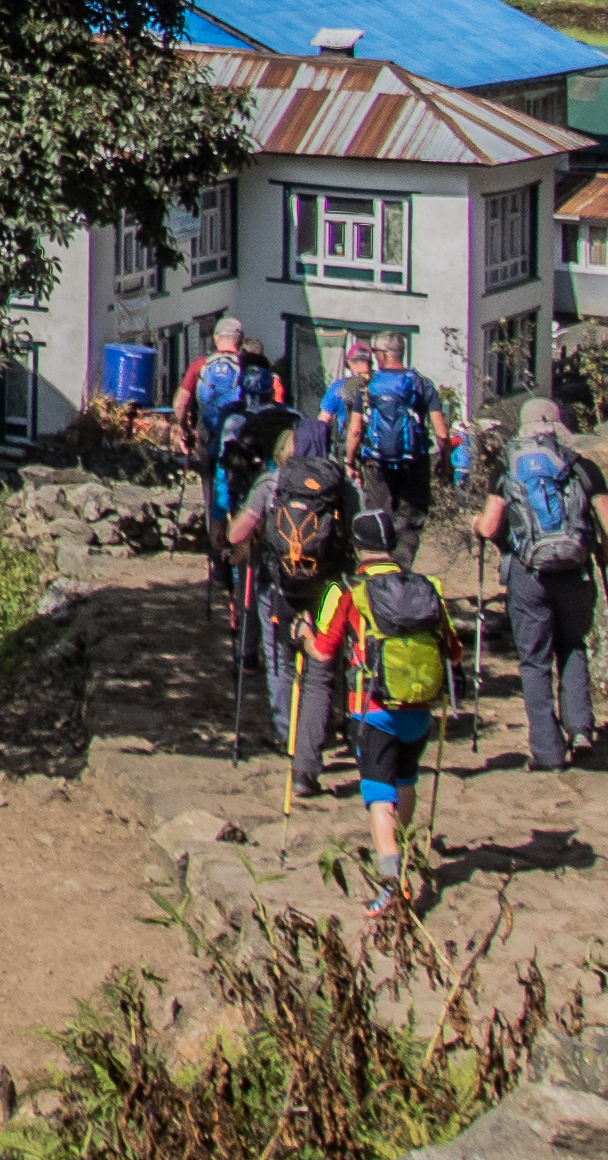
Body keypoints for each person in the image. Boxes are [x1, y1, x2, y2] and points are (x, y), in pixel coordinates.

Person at [297, 516, 457, 915]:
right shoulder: (429, 589)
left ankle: (391, 882)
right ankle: (399, 850)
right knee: (405, 782)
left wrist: (301, 634)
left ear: (358, 546)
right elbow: (453, 651)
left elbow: (323, 651)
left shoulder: (347, 590)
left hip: (371, 709)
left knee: (378, 797)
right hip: (419, 707)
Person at [475, 395, 608, 772]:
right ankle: (581, 730)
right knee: (573, 646)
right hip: (577, 572)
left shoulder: (508, 466)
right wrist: (602, 554)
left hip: (529, 574)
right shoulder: (583, 466)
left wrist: (479, 529)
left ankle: (547, 752)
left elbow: (490, 526)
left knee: (534, 661)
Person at [231, 413, 363, 795]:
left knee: (281, 661)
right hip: (327, 592)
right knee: (322, 672)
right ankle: (314, 747)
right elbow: (360, 532)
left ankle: (288, 734)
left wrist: (241, 531)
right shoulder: (341, 484)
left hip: (281, 588)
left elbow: (238, 533)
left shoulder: (273, 483)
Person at [180, 321, 281, 582]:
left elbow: (181, 404)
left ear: (215, 339)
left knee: (214, 497)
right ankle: (249, 557)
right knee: (249, 498)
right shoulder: (249, 367)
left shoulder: (201, 365)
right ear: (240, 339)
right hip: (246, 444)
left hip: (210, 443)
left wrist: (186, 430)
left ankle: (219, 559)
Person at [323, 335, 463, 518]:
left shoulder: (368, 386)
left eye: (374, 352)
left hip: (377, 465)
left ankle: (384, 545)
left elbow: (355, 430)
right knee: (410, 521)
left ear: (382, 355)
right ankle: (405, 546)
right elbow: (442, 433)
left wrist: (349, 462)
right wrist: (444, 462)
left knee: (380, 519)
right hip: (414, 464)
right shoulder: (422, 384)